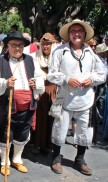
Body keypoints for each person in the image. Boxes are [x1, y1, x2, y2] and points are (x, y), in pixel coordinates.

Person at [47, 19, 106, 175]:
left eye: (80, 31)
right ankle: (56, 159)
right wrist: (66, 79)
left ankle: (80, 160)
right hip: (65, 98)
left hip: (85, 99)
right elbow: (52, 74)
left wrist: (91, 79)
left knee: (84, 130)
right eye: (73, 31)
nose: (77, 34)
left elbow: (102, 73)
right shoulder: (60, 51)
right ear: (68, 34)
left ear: (85, 34)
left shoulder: (90, 53)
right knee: (60, 129)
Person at [0, 31, 45, 176]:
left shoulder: (31, 60)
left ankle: (17, 159)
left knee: (22, 132)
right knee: (5, 132)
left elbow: (40, 77)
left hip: (28, 105)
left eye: (20, 45)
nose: (17, 48)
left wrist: (36, 83)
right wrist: (5, 82)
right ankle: (4, 161)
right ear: (8, 45)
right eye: (13, 45)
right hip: (6, 105)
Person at [32, 33, 58, 154]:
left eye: (48, 44)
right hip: (40, 90)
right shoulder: (34, 57)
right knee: (39, 118)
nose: (46, 46)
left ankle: (49, 145)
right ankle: (37, 144)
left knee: (52, 118)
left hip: (54, 90)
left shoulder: (58, 58)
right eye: (44, 44)